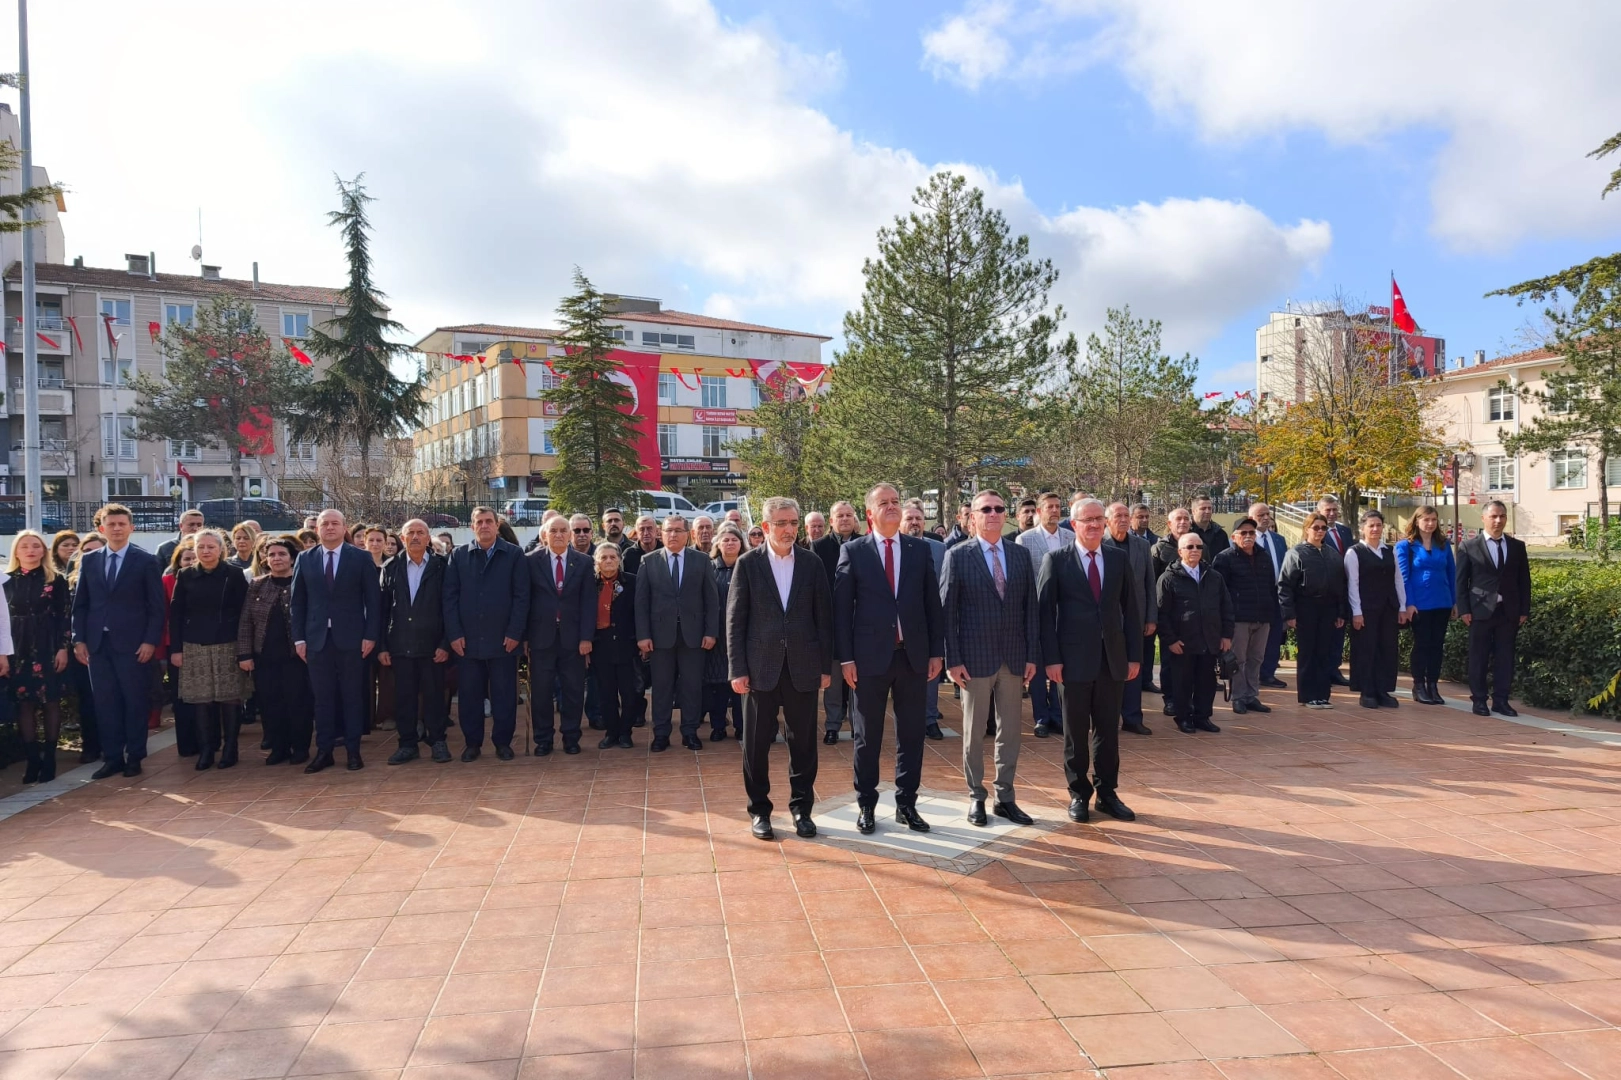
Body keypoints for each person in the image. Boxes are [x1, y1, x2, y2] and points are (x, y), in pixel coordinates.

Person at [835, 484, 944, 835]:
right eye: (884, 503)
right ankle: (866, 804)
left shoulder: (918, 549)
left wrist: (936, 651)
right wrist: (846, 659)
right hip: (868, 660)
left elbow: (932, 604)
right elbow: (842, 611)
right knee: (867, 736)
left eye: (896, 501)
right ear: (870, 513)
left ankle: (906, 803)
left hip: (913, 657)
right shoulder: (854, 551)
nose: (892, 506)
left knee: (911, 734)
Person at [729, 496, 834, 841]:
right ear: (765, 526)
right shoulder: (748, 564)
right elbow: (735, 620)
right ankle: (760, 810)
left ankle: (802, 809)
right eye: (781, 523)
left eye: (793, 523)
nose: (789, 529)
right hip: (759, 669)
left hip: (803, 667)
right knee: (756, 744)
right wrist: (737, 669)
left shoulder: (812, 563)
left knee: (803, 743)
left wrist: (824, 666)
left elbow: (824, 619)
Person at [1038, 498, 1143, 822]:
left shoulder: (1117, 558)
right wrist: (1051, 659)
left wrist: (1134, 656)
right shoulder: (1056, 560)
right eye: (1088, 520)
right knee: (1075, 732)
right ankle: (1078, 794)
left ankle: (1107, 793)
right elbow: (1044, 615)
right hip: (1072, 662)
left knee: (1108, 730)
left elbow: (1132, 610)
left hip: (1112, 659)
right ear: (1074, 524)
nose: (1095, 525)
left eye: (1099, 519)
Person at [941, 490, 1038, 828]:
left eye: (999, 508)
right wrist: (952, 659)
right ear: (973, 517)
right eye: (986, 509)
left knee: (1010, 732)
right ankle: (976, 796)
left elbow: (1030, 609)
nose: (993, 513)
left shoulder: (1020, 554)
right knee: (973, 733)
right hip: (974, 660)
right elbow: (947, 613)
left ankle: (1005, 797)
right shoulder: (957, 556)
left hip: (1013, 658)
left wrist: (1032, 655)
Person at [72, 504, 166, 780]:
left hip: (133, 645)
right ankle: (112, 757)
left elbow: (156, 607)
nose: (116, 528)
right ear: (102, 528)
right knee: (105, 703)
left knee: (134, 701)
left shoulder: (145, 560)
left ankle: (135, 756)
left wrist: (150, 641)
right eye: (111, 524)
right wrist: (79, 640)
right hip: (97, 645)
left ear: (131, 528)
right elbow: (81, 605)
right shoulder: (89, 560)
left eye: (121, 524)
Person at [291, 509, 383, 773]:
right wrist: (299, 639)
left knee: (352, 696)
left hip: (352, 640)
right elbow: (298, 602)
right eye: (325, 524)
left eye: (335, 523)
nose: (330, 528)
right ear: (317, 529)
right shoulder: (305, 559)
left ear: (344, 528)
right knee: (322, 698)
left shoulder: (361, 557)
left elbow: (373, 601)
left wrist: (370, 635)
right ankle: (324, 751)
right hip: (316, 640)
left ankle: (353, 751)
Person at [443, 507, 529, 760]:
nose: (484, 526)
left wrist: (515, 632)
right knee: (470, 696)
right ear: (472, 526)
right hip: (467, 641)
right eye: (479, 522)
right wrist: (454, 634)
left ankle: (503, 743)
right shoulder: (459, 555)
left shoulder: (514, 554)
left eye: (488, 521)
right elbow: (449, 598)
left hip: (504, 640)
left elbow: (522, 597)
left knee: (504, 695)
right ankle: (472, 743)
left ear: (496, 525)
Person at [635, 515, 718, 752]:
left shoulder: (701, 560)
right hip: (660, 636)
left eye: (678, 531)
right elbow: (641, 602)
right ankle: (661, 734)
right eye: (669, 530)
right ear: (661, 533)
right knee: (661, 687)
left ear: (687, 534)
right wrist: (643, 635)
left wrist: (711, 632)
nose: (673, 535)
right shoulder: (648, 561)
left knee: (692, 686)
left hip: (694, 635)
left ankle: (690, 732)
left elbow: (711, 600)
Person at [169, 529, 250, 769]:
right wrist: (176, 649)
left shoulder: (233, 574)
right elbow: (176, 614)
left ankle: (230, 748)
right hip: (194, 645)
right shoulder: (185, 575)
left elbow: (244, 614)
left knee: (230, 699)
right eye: (201, 547)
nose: (205, 551)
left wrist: (244, 650)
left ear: (221, 549)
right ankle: (206, 749)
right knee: (201, 700)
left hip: (228, 644)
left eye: (211, 547)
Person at [377, 520, 452, 764]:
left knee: (434, 697)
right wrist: (382, 646)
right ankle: (407, 744)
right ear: (403, 537)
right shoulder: (390, 567)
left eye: (421, 533)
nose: (416, 537)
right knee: (404, 698)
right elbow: (382, 611)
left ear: (428, 538)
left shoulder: (442, 566)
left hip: (433, 646)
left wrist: (445, 643)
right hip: (400, 645)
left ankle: (438, 741)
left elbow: (450, 608)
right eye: (411, 533)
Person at [237, 535, 312, 765]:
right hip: (265, 656)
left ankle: (300, 748)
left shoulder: (303, 582)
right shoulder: (257, 584)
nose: (276, 558)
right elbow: (246, 621)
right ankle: (279, 748)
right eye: (271, 555)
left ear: (292, 558)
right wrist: (245, 654)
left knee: (297, 703)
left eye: (282, 554)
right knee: (270, 704)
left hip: (296, 656)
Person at [526, 515, 595, 756]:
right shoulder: (531, 561)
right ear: (545, 535)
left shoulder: (584, 562)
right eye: (553, 530)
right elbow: (525, 601)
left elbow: (589, 602)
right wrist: (524, 637)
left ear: (570, 535)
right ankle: (543, 739)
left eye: (563, 530)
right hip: (541, 638)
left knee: (573, 691)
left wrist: (586, 637)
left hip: (573, 639)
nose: (558, 534)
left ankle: (571, 737)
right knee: (541, 692)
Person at [1455, 500, 1531, 717]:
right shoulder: (1469, 546)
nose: (1498, 521)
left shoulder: (1517, 547)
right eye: (1493, 516)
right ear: (1483, 518)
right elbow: (1461, 582)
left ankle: (1501, 700)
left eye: (1502, 516)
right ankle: (1479, 700)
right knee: (1478, 657)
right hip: (1480, 611)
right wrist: (1464, 609)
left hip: (1509, 611)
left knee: (1505, 657)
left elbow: (1524, 580)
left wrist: (1524, 609)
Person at [1156, 530, 1233, 735]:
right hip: (1183, 643)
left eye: (1199, 547)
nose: (1195, 550)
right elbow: (1162, 613)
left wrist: (1226, 635)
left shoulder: (1214, 576)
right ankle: (1183, 718)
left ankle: (1202, 717)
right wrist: (1170, 640)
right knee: (1182, 683)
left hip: (1209, 640)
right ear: (1180, 551)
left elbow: (1226, 607)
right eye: (1189, 547)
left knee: (1206, 682)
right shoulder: (1168, 578)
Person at [4, 532, 66, 782]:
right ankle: (32, 760)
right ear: (16, 552)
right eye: (24, 546)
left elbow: (64, 616)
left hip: (47, 645)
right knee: (23, 703)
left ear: (44, 551)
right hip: (16, 646)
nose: (30, 550)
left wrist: (63, 648)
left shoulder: (56, 579)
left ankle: (49, 759)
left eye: (36, 546)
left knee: (50, 700)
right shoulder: (5, 580)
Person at [1277, 512, 1349, 709]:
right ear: (1307, 529)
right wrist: (1289, 614)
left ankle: (1322, 694)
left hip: (1328, 609)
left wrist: (1341, 612)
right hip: (1306, 607)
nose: (1320, 531)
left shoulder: (1332, 554)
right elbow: (1285, 585)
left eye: (1323, 528)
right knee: (1308, 653)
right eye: (1315, 527)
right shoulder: (1296, 553)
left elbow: (1341, 586)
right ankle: (1308, 695)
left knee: (1324, 652)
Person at [1018, 491, 1072, 737]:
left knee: (1061, 663)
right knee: (1038, 667)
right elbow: (1023, 579)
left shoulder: (1071, 537)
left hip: (1065, 613)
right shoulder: (1025, 539)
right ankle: (1041, 717)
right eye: (1050, 507)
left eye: (1058, 506)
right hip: (1037, 612)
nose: (1055, 510)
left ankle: (1058, 715)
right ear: (1039, 511)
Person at [1212, 517, 1278, 715]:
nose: (1248, 536)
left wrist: (1272, 614)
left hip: (1262, 617)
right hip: (1238, 619)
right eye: (1244, 533)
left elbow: (1271, 587)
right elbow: (1219, 593)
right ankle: (1238, 697)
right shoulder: (1224, 558)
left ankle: (1251, 696)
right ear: (1234, 537)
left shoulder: (1264, 556)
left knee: (1256, 658)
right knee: (1238, 660)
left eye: (1251, 533)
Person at [1344, 510, 1408, 710]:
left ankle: (1383, 690)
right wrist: (1356, 611)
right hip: (1366, 609)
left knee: (1386, 649)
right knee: (1366, 649)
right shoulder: (1354, 552)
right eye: (1371, 525)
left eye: (1378, 525)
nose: (1375, 529)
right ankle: (1367, 691)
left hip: (1388, 608)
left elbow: (1398, 580)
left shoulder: (1390, 551)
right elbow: (1352, 584)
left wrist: (1402, 606)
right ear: (1362, 528)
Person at [1102, 502, 1155, 735]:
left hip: (1136, 618)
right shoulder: (1099, 543)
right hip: (1108, 621)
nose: (1123, 519)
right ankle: (1108, 718)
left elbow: (1149, 583)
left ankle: (1133, 718)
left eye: (1126, 515)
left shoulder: (1142, 546)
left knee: (1134, 667)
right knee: (1108, 671)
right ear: (1107, 521)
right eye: (1118, 516)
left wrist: (1150, 617)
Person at [1396, 505, 1457, 705]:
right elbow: (1403, 577)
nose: (1430, 524)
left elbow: (1452, 573)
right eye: (1426, 520)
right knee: (1422, 644)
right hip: (1419, 603)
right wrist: (1409, 603)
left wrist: (1455, 601)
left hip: (1442, 601)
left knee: (1437, 645)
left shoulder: (1443, 544)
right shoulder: (1405, 546)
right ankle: (1419, 685)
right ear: (1417, 521)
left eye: (1433, 520)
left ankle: (1433, 685)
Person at [813, 500, 861, 744]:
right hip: (830, 622)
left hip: (860, 623)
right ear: (831, 521)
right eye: (839, 516)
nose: (844, 519)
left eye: (848, 515)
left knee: (858, 680)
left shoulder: (865, 544)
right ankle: (832, 725)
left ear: (855, 519)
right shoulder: (819, 547)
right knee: (833, 679)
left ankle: (857, 726)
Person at [902, 500, 948, 740]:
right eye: (909, 519)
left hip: (929, 622)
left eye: (918, 519)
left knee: (930, 672)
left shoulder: (939, 549)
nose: (914, 523)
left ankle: (930, 719)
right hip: (899, 624)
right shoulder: (894, 548)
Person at [53, 530, 98, 763]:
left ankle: (115, 744)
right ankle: (91, 745)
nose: (91, 555)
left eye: (97, 550)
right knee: (87, 699)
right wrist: (76, 642)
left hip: (113, 645)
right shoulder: (68, 582)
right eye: (86, 551)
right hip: (82, 648)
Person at [590, 544, 640, 749]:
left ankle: (626, 733)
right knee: (606, 694)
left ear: (619, 560)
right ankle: (611, 732)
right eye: (604, 558)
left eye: (612, 557)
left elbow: (640, 613)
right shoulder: (590, 584)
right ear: (596, 562)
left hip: (627, 645)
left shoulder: (633, 582)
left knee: (630, 694)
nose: (609, 561)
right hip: (600, 646)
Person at [705, 522, 746, 742]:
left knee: (740, 682)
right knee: (717, 685)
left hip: (742, 634)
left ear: (741, 543)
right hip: (717, 635)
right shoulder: (709, 568)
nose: (730, 543)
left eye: (734, 539)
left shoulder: (748, 566)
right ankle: (718, 726)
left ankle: (741, 726)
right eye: (726, 540)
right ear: (718, 544)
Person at [1151, 508, 1193, 713]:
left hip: (1193, 615)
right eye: (1178, 519)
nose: (1183, 522)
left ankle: (1187, 699)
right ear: (1169, 524)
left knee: (1191, 660)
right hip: (1168, 614)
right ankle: (1170, 699)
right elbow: (1151, 582)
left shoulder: (1198, 544)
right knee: (1169, 659)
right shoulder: (1159, 549)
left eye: (1186, 519)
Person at [160, 539, 198, 759]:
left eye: (194, 558)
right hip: (174, 644)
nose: (191, 562)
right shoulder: (167, 581)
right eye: (187, 558)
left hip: (201, 642)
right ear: (178, 561)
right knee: (181, 695)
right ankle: (186, 744)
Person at [1249, 503, 1290, 690]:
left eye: (1268, 514)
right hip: (1253, 595)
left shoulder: (1279, 540)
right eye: (1261, 515)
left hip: (1276, 594)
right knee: (1253, 637)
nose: (1266, 518)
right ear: (1251, 518)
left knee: (1274, 634)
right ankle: (1251, 674)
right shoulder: (1245, 538)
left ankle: (1268, 674)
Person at [1317, 495, 1355, 687]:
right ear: (1319, 512)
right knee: (1326, 633)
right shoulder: (1317, 532)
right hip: (1326, 590)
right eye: (1327, 510)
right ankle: (1323, 670)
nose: (1332, 513)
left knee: (1340, 631)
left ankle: (1334, 668)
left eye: (1334, 509)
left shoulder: (1345, 531)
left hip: (1345, 588)